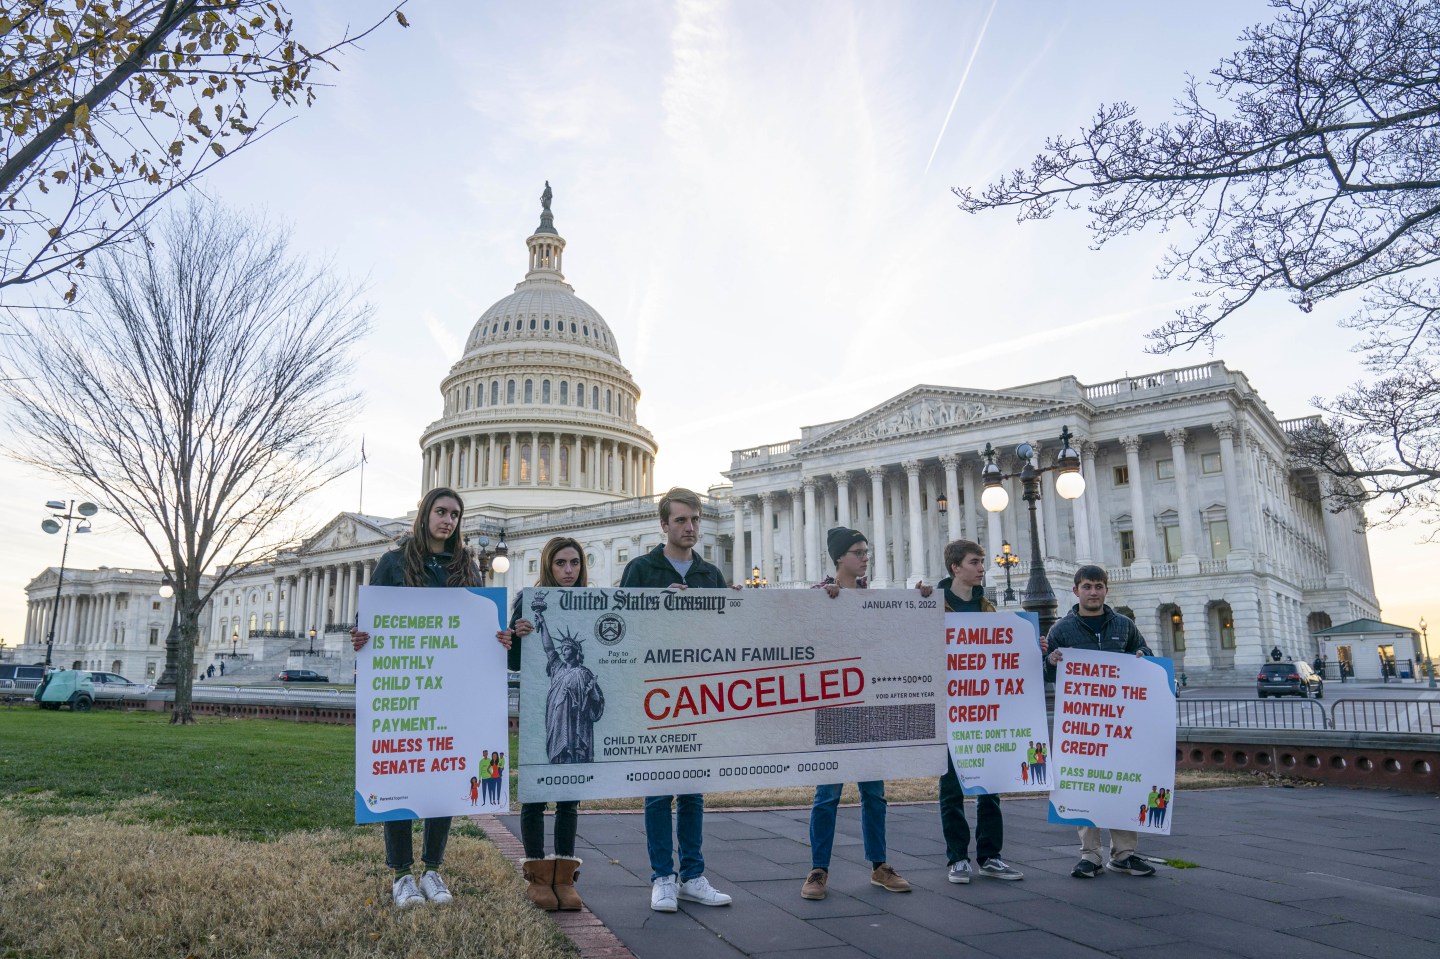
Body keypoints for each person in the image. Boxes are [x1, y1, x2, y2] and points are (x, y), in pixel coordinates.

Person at [351, 486, 484, 909]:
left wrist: (496, 636)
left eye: (456, 515)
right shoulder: (393, 563)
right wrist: (361, 636)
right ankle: (402, 874)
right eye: (442, 512)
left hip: (450, 688)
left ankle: (433, 868)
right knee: (397, 775)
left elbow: (477, 623)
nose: (448, 520)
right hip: (404, 686)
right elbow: (368, 619)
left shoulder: (466, 566)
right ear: (426, 513)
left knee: (443, 776)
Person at [618, 488, 735, 913]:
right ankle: (662, 877)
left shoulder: (710, 575)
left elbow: (728, 633)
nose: (690, 528)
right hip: (653, 691)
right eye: (681, 520)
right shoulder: (640, 569)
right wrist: (657, 609)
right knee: (656, 790)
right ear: (663, 525)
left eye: (695, 520)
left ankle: (693, 875)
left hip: (698, 691)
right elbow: (619, 629)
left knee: (692, 790)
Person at [801, 527, 932, 901]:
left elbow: (903, 637)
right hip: (833, 708)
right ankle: (818, 870)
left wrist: (923, 600)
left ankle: (880, 865)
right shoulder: (817, 595)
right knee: (827, 795)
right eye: (859, 552)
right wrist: (824, 607)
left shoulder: (875, 598)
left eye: (866, 552)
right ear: (840, 557)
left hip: (871, 707)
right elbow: (795, 636)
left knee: (874, 794)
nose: (865, 557)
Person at [1041, 564, 1155, 879]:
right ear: (1076, 590)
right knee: (1085, 785)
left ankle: (1124, 853)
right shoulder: (1062, 629)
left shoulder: (1124, 624)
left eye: (1099, 586)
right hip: (1082, 723)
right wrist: (1050, 661)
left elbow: (1144, 652)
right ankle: (1090, 854)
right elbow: (1046, 672)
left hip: (1120, 721)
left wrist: (1143, 655)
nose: (1093, 592)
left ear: (1106, 590)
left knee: (1124, 784)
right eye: (1088, 586)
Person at [497, 536, 592, 912]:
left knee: (569, 797)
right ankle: (537, 876)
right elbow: (516, 660)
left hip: (578, 719)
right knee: (536, 794)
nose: (568, 571)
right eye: (560, 564)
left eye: (574, 563)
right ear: (547, 566)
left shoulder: (590, 603)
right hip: (544, 710)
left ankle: (564, 877)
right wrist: (516, 635)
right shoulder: (528, 603)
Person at [933, 539, 1023, 884]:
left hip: (986, 711)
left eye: (983, 561)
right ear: (956, 567)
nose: (982, 566)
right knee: (952, 788)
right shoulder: (934, 607)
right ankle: (957, 857)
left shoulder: (988, 609)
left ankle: (990, 856)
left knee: (991, 787)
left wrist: (1033, 646)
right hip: (951, 710)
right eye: (975, 561)